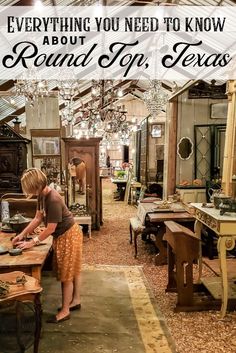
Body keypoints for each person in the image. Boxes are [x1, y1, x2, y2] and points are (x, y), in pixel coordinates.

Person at [12, 168, 83, 324]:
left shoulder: (53, 199)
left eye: (30, 188)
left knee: (67, 273)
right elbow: (38, 218)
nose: (29, 191)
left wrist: (31, 242)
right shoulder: (41, 195)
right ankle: (75, 300)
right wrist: (22, 234)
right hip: (66, 233)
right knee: (72, 269)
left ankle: (65, 311)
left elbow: (50, 228)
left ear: (37, 185)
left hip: (69, 234)